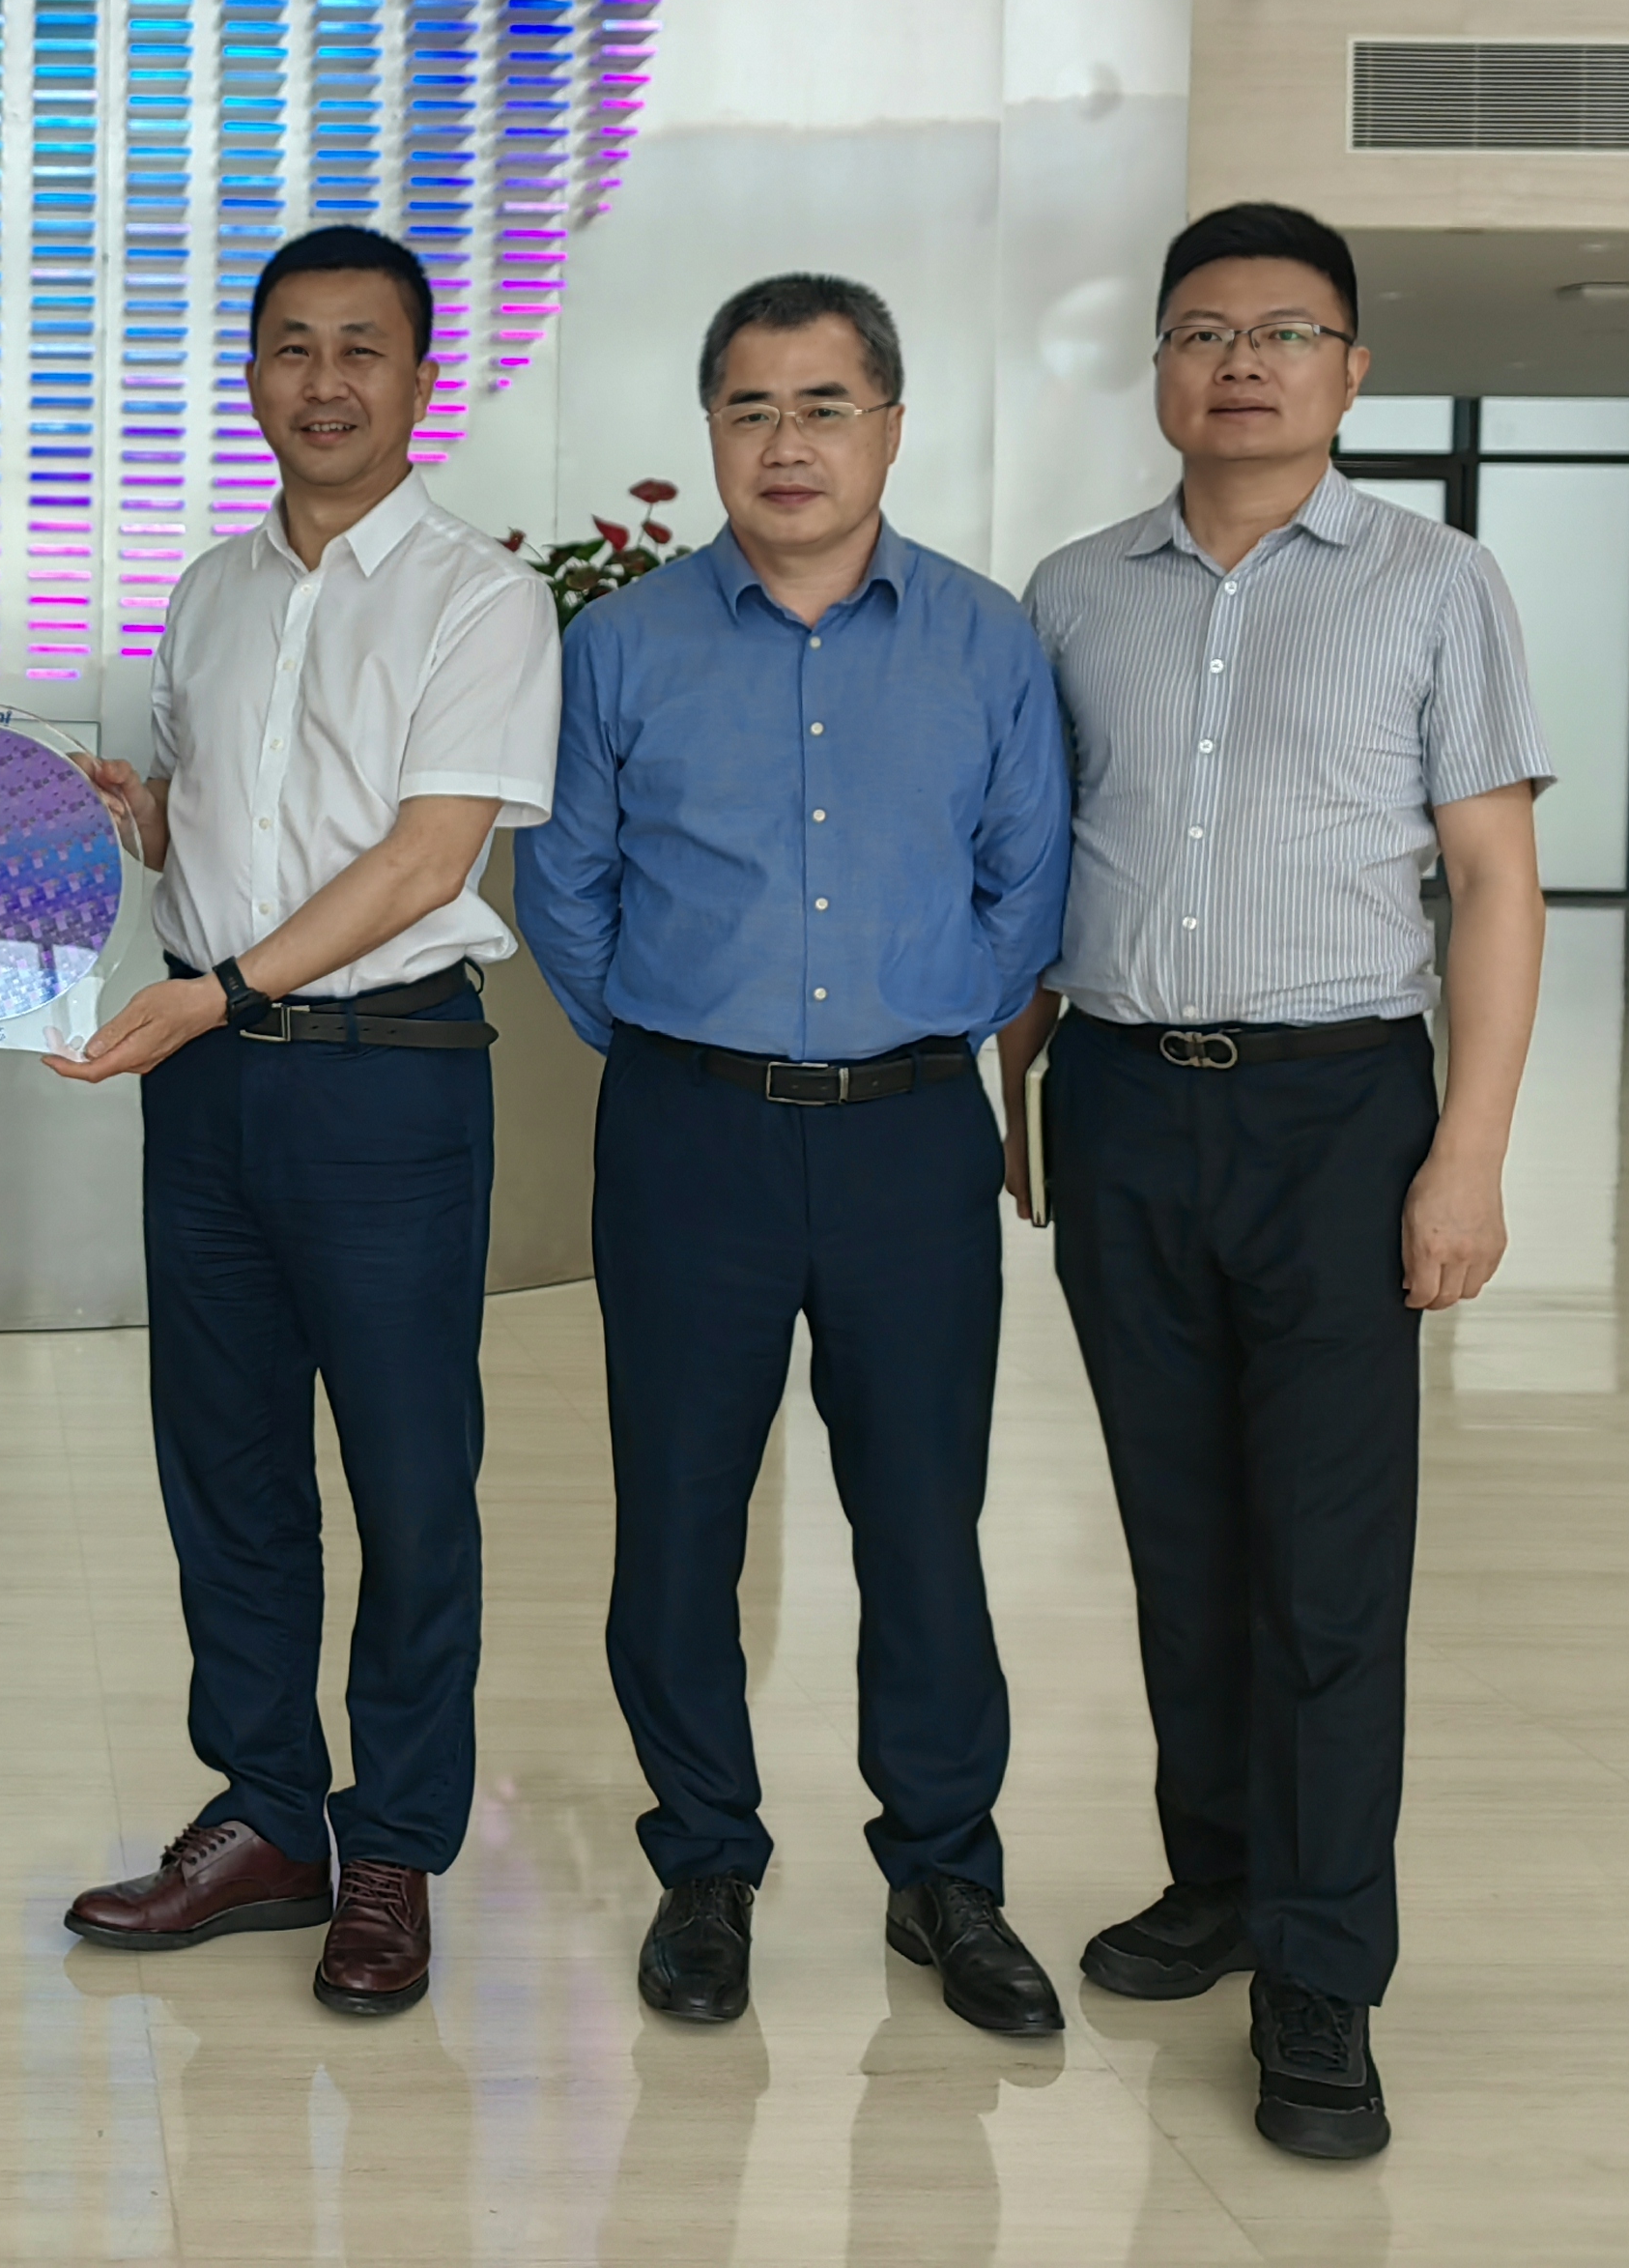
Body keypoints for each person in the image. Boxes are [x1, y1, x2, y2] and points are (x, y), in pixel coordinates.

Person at [1005, 199, 1549, 2161]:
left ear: (1349, 368)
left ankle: (1322, 1973)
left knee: (1325, 1560)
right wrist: (1016, 1088)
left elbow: (1493, 880)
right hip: (1122, 1102)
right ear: (1158, 364)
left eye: (1285, 332)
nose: (1242, 363)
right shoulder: (1072, 592)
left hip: (1337, 1111)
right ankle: (1218, 1875)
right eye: (1205, 332)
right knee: (1178, 1534)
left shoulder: (1435, 583)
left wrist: (1465, 1155)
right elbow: (1037, 861)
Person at [519, 273, 1072, 2039]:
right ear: (711, 431)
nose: (787, 443)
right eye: (750, 408)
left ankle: (946, 1874)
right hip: (689, 1134)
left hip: (912, 1135)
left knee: (923, 1518)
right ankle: (705, 1862)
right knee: (680, 1516)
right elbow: (566, 890)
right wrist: (680, 1041)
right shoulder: (621, 648)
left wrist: (925, 1031)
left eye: (825, 406)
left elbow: (1027, 887)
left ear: (890, 426)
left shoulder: (986, 641)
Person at [50, 225, 561, 2020]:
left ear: (419, 379)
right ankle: (268, 1815)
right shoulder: (209, 592)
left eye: (361, 349)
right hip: (213, 1089)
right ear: (252, 374)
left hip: (384, 1079)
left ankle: (395, 1844)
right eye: (291, 347)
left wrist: (221, 988)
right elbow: (220, 824)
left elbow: (427, 859)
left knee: (411, 1482)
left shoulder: (484, 598)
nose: (323, 382)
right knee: (229, 1465)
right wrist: (133, 814)